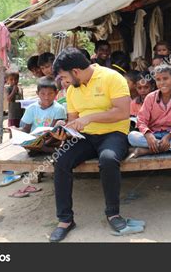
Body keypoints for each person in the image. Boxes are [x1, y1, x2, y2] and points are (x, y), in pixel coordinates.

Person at [50, 47, 131, 242]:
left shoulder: (112, 77)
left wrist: (89, 118)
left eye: (64, 77)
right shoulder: (71, 90)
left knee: (108, 159)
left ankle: (113, 213)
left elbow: (122, 112)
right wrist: (64, 132)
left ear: (75, 71)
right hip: (85, 137)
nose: (63, 82)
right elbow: (73, 121)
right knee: (60, 160)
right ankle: (65, 220)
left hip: (114, 133)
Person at [128, 65, 171, 157]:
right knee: (131, 136)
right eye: (158, 79)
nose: (162, 83)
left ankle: (147, 150)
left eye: (165, 78)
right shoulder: (150, 97)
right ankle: (162, 147)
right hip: (153, 135)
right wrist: (149, 135)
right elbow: (141, 120)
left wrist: (168, 137)